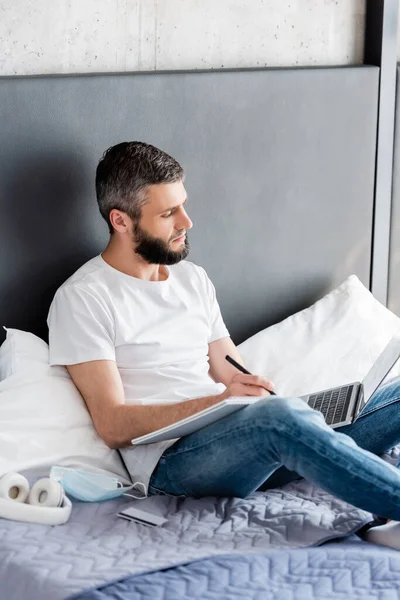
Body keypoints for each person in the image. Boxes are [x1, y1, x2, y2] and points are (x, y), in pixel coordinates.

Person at [47, 141, 400, 548]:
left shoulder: (192, 279)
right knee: (280, 419)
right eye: (168, 214)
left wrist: (255, 390)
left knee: (319, 409)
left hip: (245, 443)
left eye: (183, 204)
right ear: (121, 221)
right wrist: (224, 404)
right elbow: (112, 425)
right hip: (173, 464)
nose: (187, 221)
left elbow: (230, 367)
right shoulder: (84, 297)